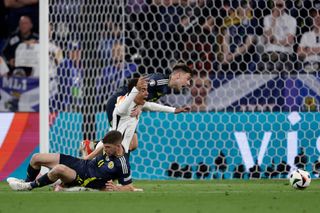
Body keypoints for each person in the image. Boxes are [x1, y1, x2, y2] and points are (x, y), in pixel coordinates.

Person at [82, 76, 190, 159]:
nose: (188, 83)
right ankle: (108, 172)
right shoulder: (159, 80)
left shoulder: (164, 88)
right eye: (187, 78)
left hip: (131, 106)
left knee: (132, 144)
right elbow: (140, 86)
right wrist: (138, 104)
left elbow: (149, 104)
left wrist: (174, 110)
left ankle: (92, 147)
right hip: (118, 105)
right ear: (178, 75)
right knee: (118, 143)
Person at [7, 130, 139, 192]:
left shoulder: (122, 163)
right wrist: (87, 157)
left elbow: (129, 187)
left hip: (84, 178)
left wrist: (116, 188)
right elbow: (99, 148)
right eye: (104, 147)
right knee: (36, 158)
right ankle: (26, 181)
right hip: (81, 164)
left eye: (108, 148)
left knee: (58, 169)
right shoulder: (107, 146)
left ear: (118, 146)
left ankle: (27, 187)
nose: (105, 150)